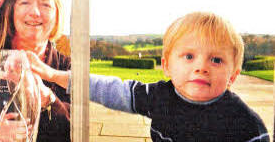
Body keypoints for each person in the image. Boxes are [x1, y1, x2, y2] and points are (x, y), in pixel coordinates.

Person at [35, 12, 270, 142]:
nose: (201, 67)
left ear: (233, 76)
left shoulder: (247, 126)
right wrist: (55, 75)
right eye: (189, 56)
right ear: (166, 66)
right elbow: (110, 89)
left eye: (216, 60)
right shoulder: (159, 96)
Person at [4, 0, 70, 142]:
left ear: (57, 15)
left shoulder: (68, 69)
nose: (34, 12)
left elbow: (77, 129)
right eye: (25, 2)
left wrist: (49, 100)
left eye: (45, 5)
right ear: (11, 10)